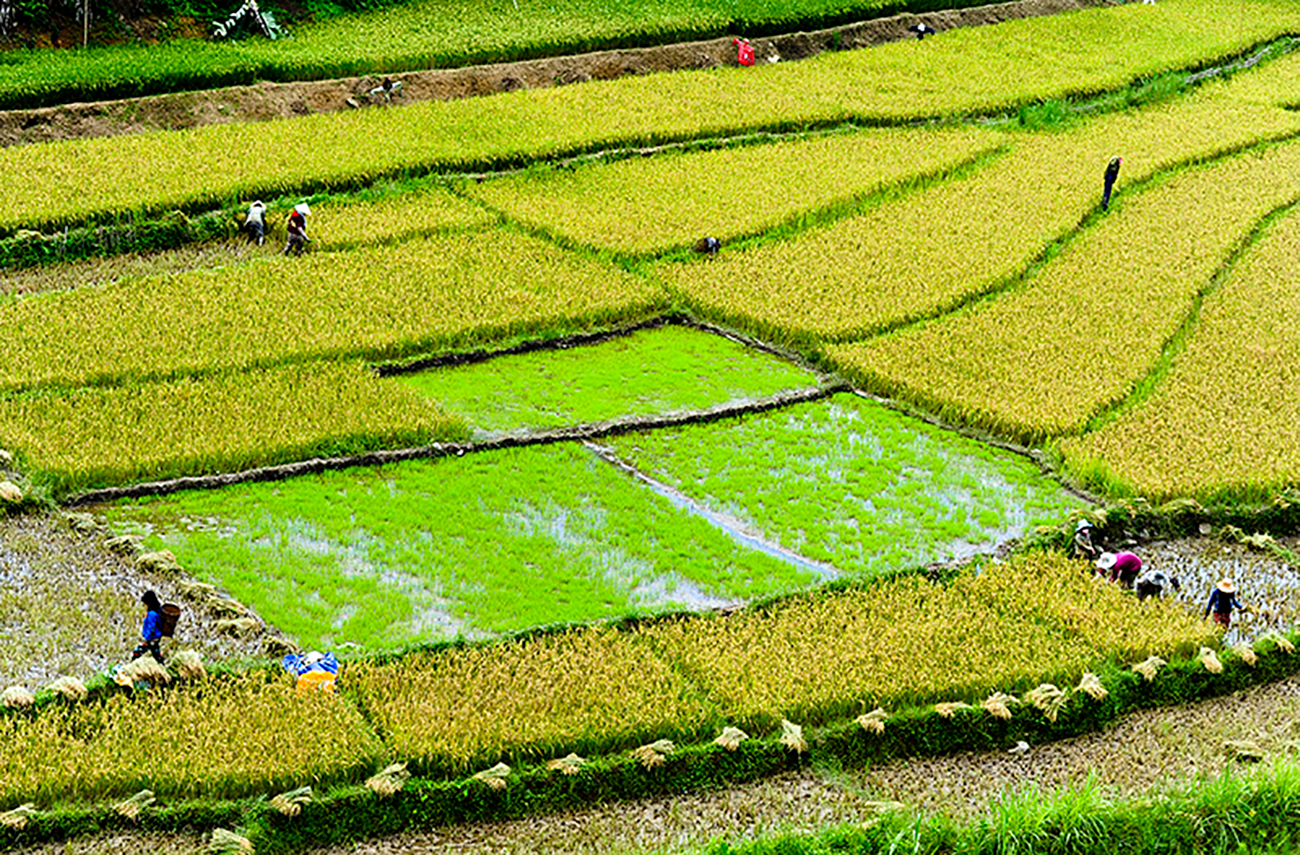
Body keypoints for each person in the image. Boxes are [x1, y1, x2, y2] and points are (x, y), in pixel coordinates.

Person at [132, 590, 165, 664]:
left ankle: (131, 667)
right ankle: (163, 666)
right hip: (156, 637)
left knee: (137, 652)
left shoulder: (152, 614)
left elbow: (151, 628)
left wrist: (146, 640)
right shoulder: (158, 610)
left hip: (152, 638)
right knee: (156, 654)